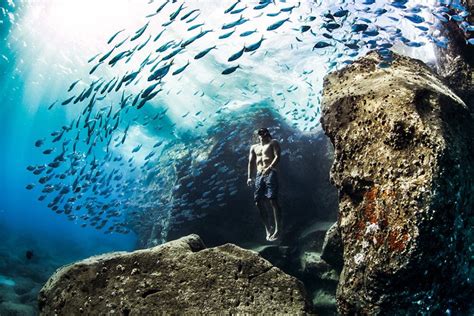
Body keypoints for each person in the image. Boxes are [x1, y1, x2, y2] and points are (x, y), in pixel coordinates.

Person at [247, 127, 282, 241]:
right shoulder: (254, 147)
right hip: (259, 174)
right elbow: (251, 162)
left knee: (273, 200)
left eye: (264, 132)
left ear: (267, 133)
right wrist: (249, 177)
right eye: (259, 133)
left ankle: (277, 229)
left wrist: (270, 167)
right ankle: (268, 228)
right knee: (258, 201)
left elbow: (277, 156)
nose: (262, 134)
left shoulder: (273, 142)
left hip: (271, 172)